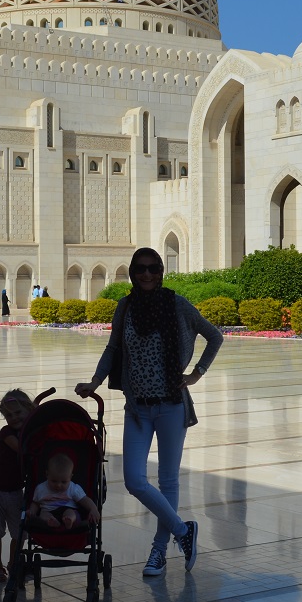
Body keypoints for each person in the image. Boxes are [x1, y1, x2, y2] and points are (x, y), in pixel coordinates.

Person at [77, 247, 222, 577]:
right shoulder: (125, 307)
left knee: (168, 480)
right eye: (140, 269)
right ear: (132, 272)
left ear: (160, 271)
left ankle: (158, 551)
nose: (146, 274)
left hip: (172, 405)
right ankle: (184, 532)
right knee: (134, 480)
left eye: (152, 268)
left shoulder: (176, 304)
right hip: (137, 409)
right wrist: (94, 382)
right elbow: (113, 348)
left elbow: (214, 336)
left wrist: (197, 372)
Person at [0, 388, 34, 583]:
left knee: (18, 531)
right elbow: (22, 449)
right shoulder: (7, 432)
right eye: (9, 415)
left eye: (18, 412)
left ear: (29, 409)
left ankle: (13, 563)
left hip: (14, 490)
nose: (14, 418)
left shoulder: (31, 431)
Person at [29, 452, 100, 530]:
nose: (58, 485)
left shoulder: (73, 488)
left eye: (64, 482)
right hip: (48, 510)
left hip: (67, 508)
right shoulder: (41, 489)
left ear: (70, 477)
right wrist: (32, 511)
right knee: (43, 514)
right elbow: (36, 503)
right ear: (47, 474)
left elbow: (84, 499)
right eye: (54, 481)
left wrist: (93, 509)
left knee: (71, 512)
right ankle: (51, 521)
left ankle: (69, 520)